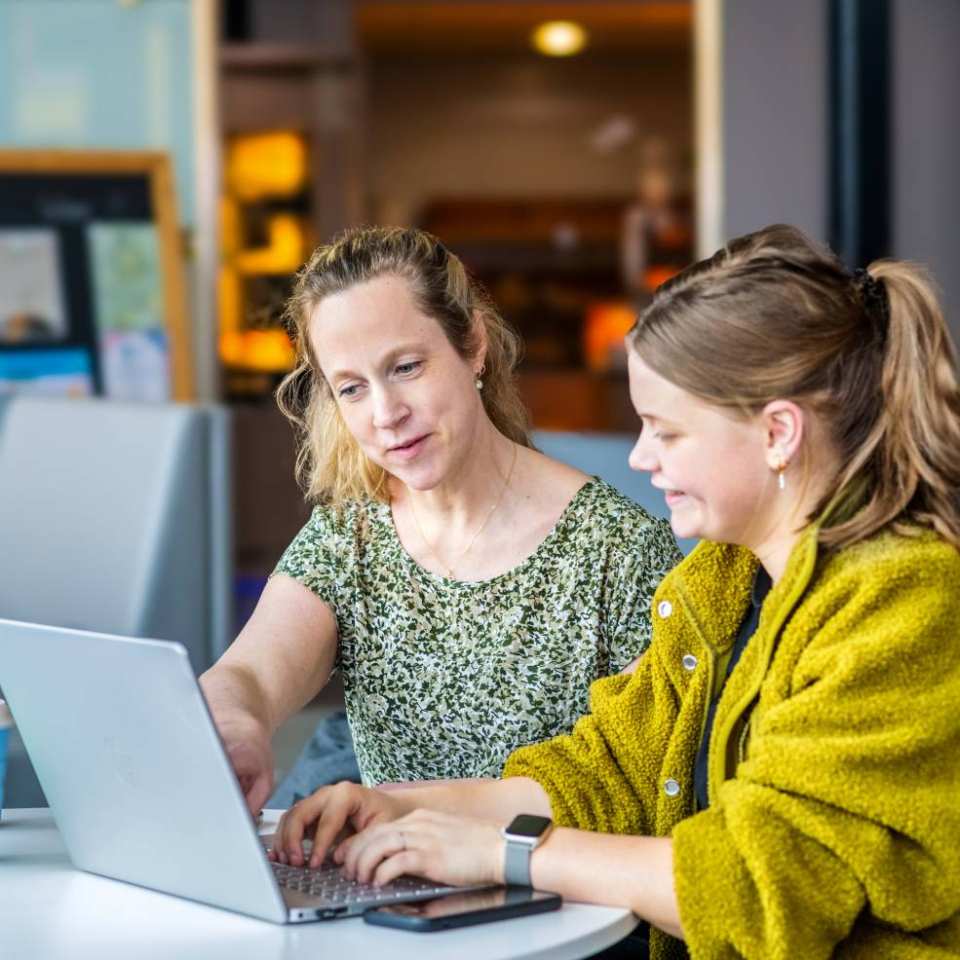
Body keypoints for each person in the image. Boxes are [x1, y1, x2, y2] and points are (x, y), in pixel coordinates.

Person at [269, 225, 960, 959]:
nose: (639, 458)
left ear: (778, 434)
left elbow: (762, 884)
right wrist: (402, 807)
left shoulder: (903, 597)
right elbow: (607, 769)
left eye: (666, 432)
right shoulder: (720, 579)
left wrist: (502, 853)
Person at [200, 226, 681, 815]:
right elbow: (251, 669)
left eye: (405, 367)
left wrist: (419, 814)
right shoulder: (350, 535)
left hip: (564, 899)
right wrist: (233, 719)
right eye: (351, 388)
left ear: (473, 344)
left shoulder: (620, 549)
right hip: (387, 896)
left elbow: (635, 783)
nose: (386, 414)